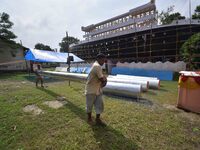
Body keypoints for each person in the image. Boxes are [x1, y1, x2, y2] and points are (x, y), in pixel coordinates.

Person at [85, 53, 107, 125]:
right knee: (89, 105)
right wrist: (105, 80)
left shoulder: (96, 65)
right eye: (103, 60)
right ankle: (89, 119)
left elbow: (102, 78)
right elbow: (102, 79)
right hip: (91, 89)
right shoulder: (97, 66)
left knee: (99, 104)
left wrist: (104, 80)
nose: (104, 62)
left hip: (97, 89)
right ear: (98, 59)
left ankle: (97, 119)